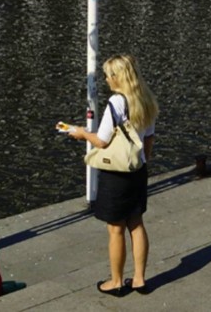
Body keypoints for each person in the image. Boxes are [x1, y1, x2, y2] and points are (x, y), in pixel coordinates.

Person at [64, 54, 158, 296]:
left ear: (117, 77)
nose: (106, 79)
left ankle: (115, 281)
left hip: (116, 174)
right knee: (136, 224)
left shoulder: (117, 102)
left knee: (115, 228)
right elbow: (148, 138)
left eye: (108, 75)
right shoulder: (145, 98)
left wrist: (81, 133)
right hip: (138, 169)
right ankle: (139, 279)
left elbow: (102, 141)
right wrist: (142, 162)